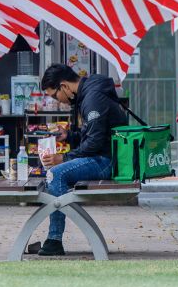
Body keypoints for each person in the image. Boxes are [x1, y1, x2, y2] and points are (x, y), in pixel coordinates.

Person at [36, 63, 128, 256]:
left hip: (107, 161)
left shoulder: (93, 98)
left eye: (55, 96)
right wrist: (69, 136)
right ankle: (54, 239)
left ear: (64, 86)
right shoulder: (89, 93)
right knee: (54, 175)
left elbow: (94, 143)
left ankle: (54, 240)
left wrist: (63, 158)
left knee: (56, 174)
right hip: (104, 155)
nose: (58, 101)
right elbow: (95, 135)